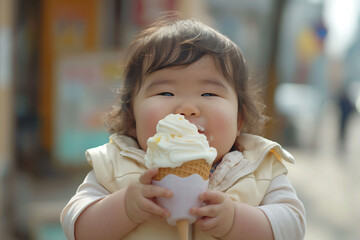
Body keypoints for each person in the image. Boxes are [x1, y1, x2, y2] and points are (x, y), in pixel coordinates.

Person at [61, 13, 306, 240]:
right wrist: (125, 207)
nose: (187, 108)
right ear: (131, 118)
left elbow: (292, 225)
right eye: (166, 92)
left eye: (209, 93)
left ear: (239, 119)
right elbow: (76, 227)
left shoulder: (259, 167)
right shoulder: (114, 164)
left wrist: (236, 220)